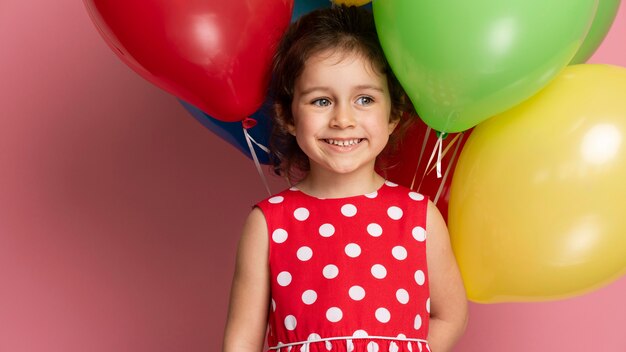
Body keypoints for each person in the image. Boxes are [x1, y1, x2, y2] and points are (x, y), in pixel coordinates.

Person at [223, 5, 467, 352]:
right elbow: (241, 341)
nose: (343, 119)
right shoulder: (268, 223)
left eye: (364, 99)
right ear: (288, 116)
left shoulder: (418, 215)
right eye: (321, 101)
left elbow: (450, 314)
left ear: (393, 114)